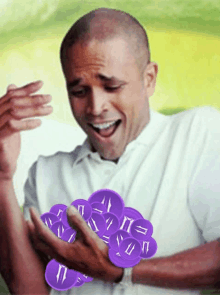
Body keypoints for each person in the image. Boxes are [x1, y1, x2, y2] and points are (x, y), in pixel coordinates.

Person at [0, 7, 220, 295]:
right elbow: (29, 291)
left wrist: (119, 270)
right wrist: (3, 177)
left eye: (112, 86)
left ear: (149, 78)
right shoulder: (46, 174)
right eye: (79, 92)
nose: (95, 107)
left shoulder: (196, 133)